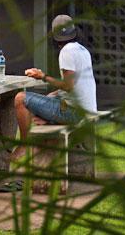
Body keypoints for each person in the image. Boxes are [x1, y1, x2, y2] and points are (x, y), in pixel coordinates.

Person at [11, 14, 97, 161]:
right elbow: (75, 86)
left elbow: (68, 86)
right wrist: (54, 93)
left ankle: (25, 145)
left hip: (74, 113)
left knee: (20, 99)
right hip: (87, 109)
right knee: (48, 98)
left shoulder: (66, 52)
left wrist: (42, 76)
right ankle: (49, 119)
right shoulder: (82, 50)